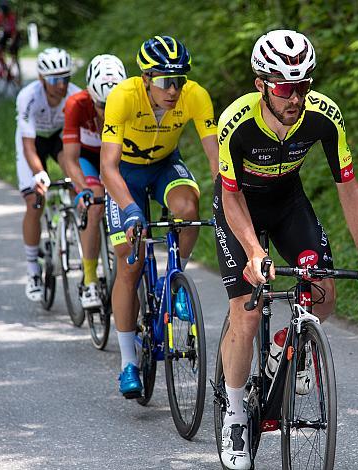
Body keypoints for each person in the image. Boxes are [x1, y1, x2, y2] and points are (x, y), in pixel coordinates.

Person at [213, 29, 358, 469]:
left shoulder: (324, 116)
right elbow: (231, 196)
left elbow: (347, 185)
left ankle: (283, 345)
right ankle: (235, 415)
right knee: (248, 312)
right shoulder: (235, 122)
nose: (296, 97)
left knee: (323, 292)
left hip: (288, 200)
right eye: (286, 88)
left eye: (305, 85)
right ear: (261, 85)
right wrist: (254, 251)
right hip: (240, 205)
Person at [100, 35, 219, 398]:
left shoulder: (195, 96)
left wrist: (229, 202)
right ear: (147, 79)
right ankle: (127, 363)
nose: (174, 89)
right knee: (129, 265)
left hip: (165, 166)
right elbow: (107, 167)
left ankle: (176, 275)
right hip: (126, 176)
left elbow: (217, 161)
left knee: (187, 208)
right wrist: (131, 210)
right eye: (166, 81)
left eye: (180, 80)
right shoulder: (123, 96)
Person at [61, 54, 127, 309]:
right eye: (101, 106)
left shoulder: (132, 101)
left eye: (112, 106)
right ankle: (89, 279)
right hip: (88, 157)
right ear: (90, 94)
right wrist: (83, 190)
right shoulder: (76, 104)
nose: (106, 113)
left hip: (119, 156)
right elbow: (70, 159)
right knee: (95, 205)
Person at [15, 47, 80, 301]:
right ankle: (32, 269)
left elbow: (75, 147)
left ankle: (79, 228)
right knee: (34, 202)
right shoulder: (28, 97)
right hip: (34, 141)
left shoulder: (75, 96)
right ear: (42, 79)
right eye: (54, 80)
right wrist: (40, 175)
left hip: (61, 139)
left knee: (78, 179)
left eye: (66, 78)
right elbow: (28, 146)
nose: (61, 85)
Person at [0, 0, 19, 69]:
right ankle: (4, 66)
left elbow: (14, 32)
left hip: (13, 34)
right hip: (5, 34)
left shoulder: (11, 17)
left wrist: (12, 42)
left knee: (13, 50)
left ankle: (11, 67)